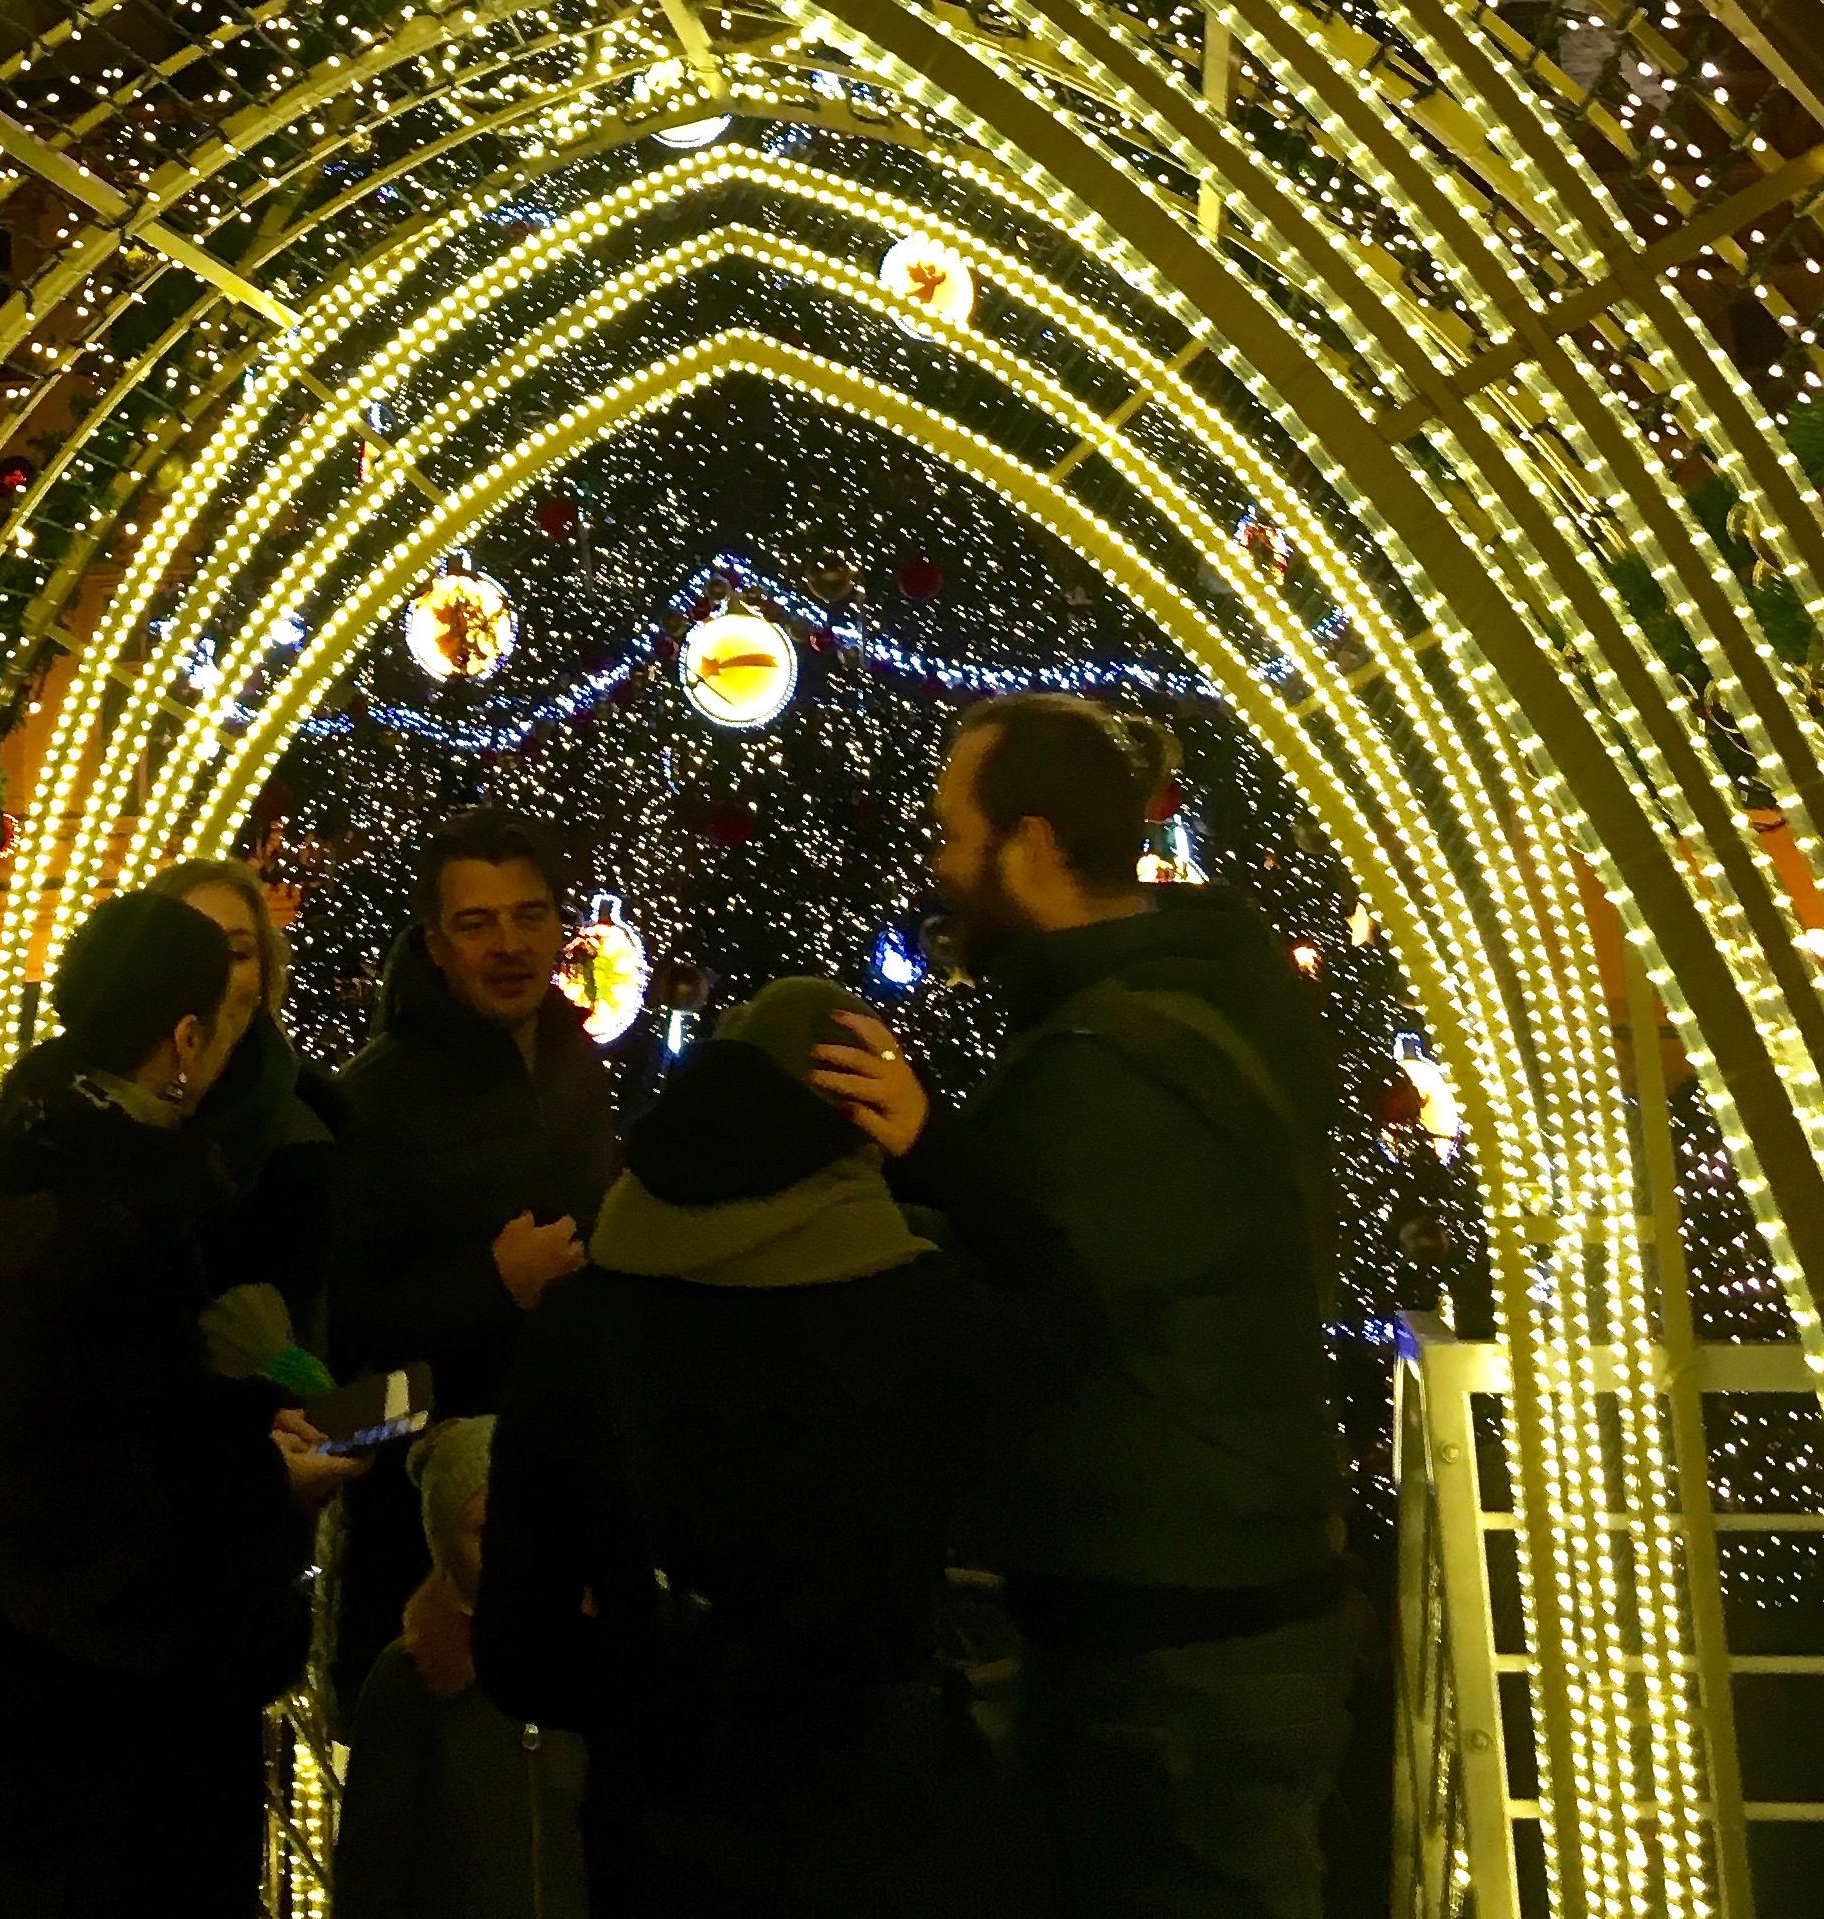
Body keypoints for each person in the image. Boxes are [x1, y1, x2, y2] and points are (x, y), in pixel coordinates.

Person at [811, 695, 1348, 1919]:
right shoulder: (1197, 992)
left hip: (1177, 1646)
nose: (940, 867)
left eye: (956, 836)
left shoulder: (1113, 1058)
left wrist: (930, 1168)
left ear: (1035, 846)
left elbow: (1054, 1303)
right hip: (1216, 1614)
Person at [0, 891, 359, 1919]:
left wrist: (286, 1391)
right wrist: (266, 1490)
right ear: (185, 1030)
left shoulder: (34, 1163)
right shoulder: (129, 1210)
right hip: (85, 1772)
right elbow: (81, 1518)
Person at [478, 978, 1000, 1916]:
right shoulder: (922, 1311)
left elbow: (519, 1652)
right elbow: (1080, 1335)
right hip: (876, 1827)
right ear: (859, 1121)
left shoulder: (587, 1320)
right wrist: (938, 1153)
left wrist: (641, 1686)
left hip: (661, 1828)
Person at [325, 810, 620, 1697]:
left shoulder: (582, 1069)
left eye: (530, 916)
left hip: (580, 1541)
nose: (509, 944)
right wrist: (492, 1287)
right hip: (423, 1573)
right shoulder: (371, 1104)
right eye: (476, 922)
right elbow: (335, 1385)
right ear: (434, 944)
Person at [331, 1415, 585, 1919]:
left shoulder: (595, 1661)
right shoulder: (413, 1676)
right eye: (486, 1529)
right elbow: (370, 1880)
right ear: (446, 1548)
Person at [151, 857, 347, 1360]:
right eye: (191, 950)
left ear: (264, 975)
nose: (214, 975)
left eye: (236, 952)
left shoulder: (306, 1144)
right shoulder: (80, 1123)